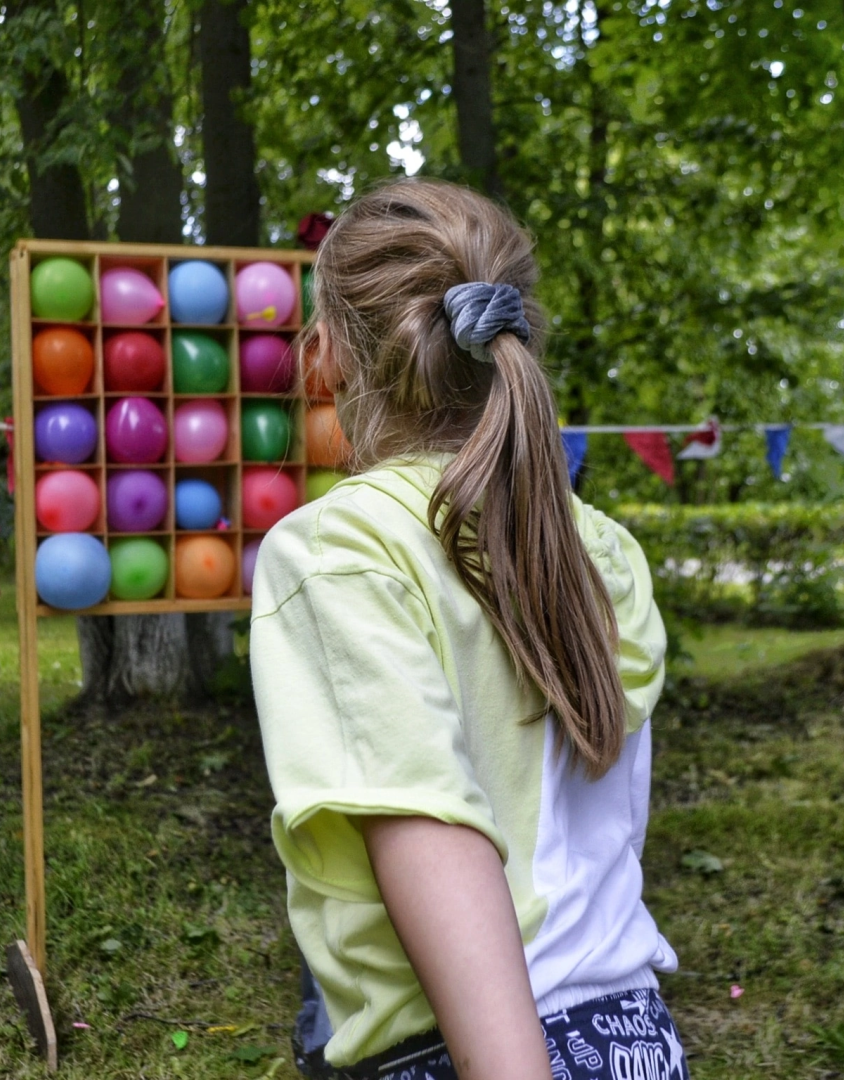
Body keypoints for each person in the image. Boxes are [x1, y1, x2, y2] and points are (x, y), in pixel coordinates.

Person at [250, 180, 682, 1080]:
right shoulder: (603, 543)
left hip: (467, 1054)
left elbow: (430, 834)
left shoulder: (338, 547)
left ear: (327, 354)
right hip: (635, 1038)